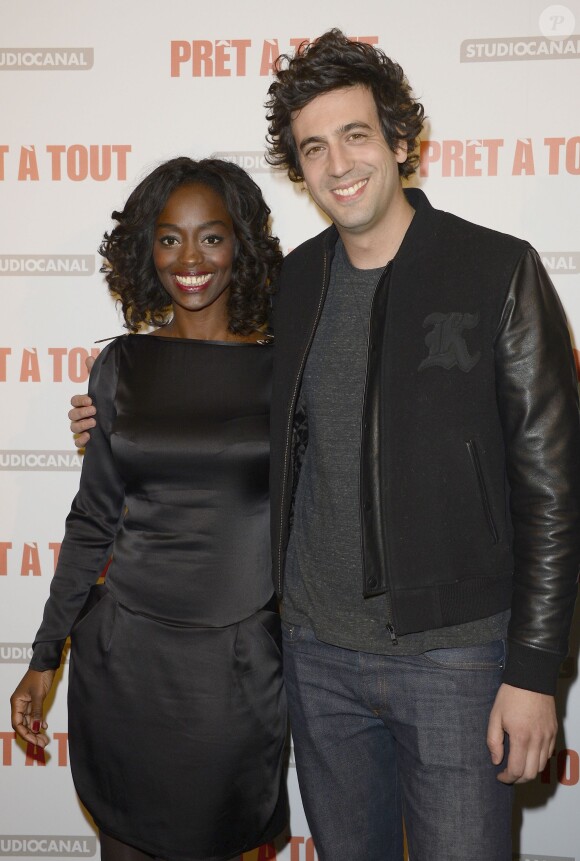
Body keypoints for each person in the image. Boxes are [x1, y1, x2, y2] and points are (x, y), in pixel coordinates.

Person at [68, 30, 580, 861]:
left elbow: (554, 492)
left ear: (400, 141)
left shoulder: (496, 272)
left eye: (355, 135)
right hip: (315, 660)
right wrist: (117, 423)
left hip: (455, 658)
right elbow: (221, 406)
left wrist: (532, 671)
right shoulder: (295, 285)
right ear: (298, 169)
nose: (338, 163)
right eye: (313, 147)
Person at [11, 156, 288, 861]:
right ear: (147, 250)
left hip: (237, 672)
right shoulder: (121, 367)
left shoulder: (285, 371)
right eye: (169, 239)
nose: (189, 259)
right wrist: (45, 655)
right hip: (125, 665)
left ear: (242, 246)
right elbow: (92, 519)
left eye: (211, 238)